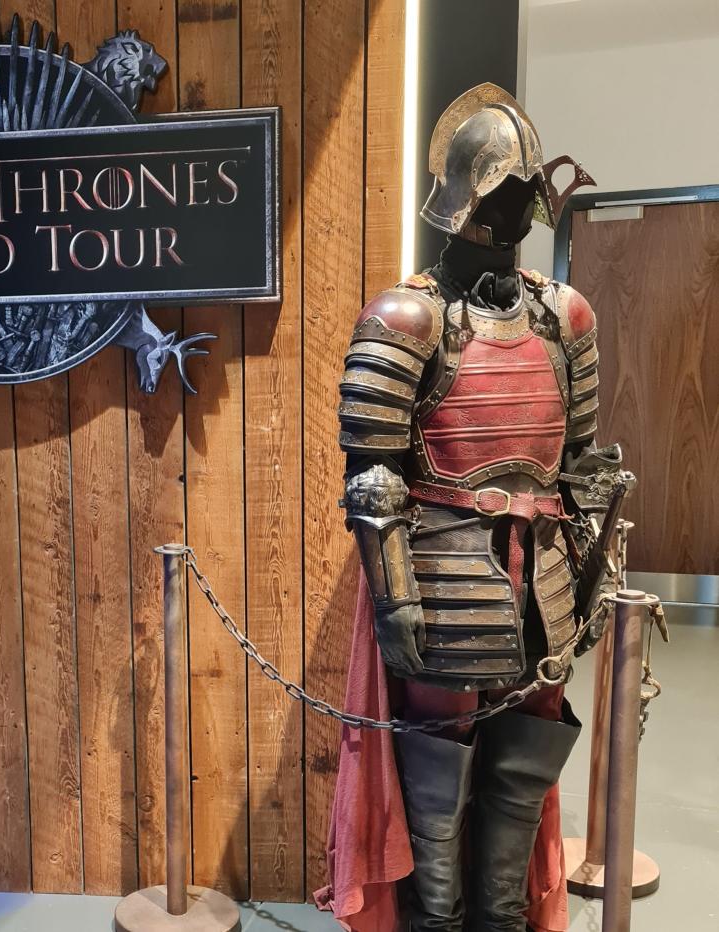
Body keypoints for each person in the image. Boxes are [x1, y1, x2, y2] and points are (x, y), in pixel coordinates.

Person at [320, 84, 621, 931]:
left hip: (544, 584)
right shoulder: (407, 317)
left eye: (527, 194)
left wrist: (593, 581)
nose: (515, 212)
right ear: (464, 199)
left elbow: (582, 467)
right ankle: (439, 922)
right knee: (437, 773)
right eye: (501, 195)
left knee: (524, 763)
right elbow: (373, 478)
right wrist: (397, 600)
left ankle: (501, 917)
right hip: (444, 573)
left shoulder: (566, 318)